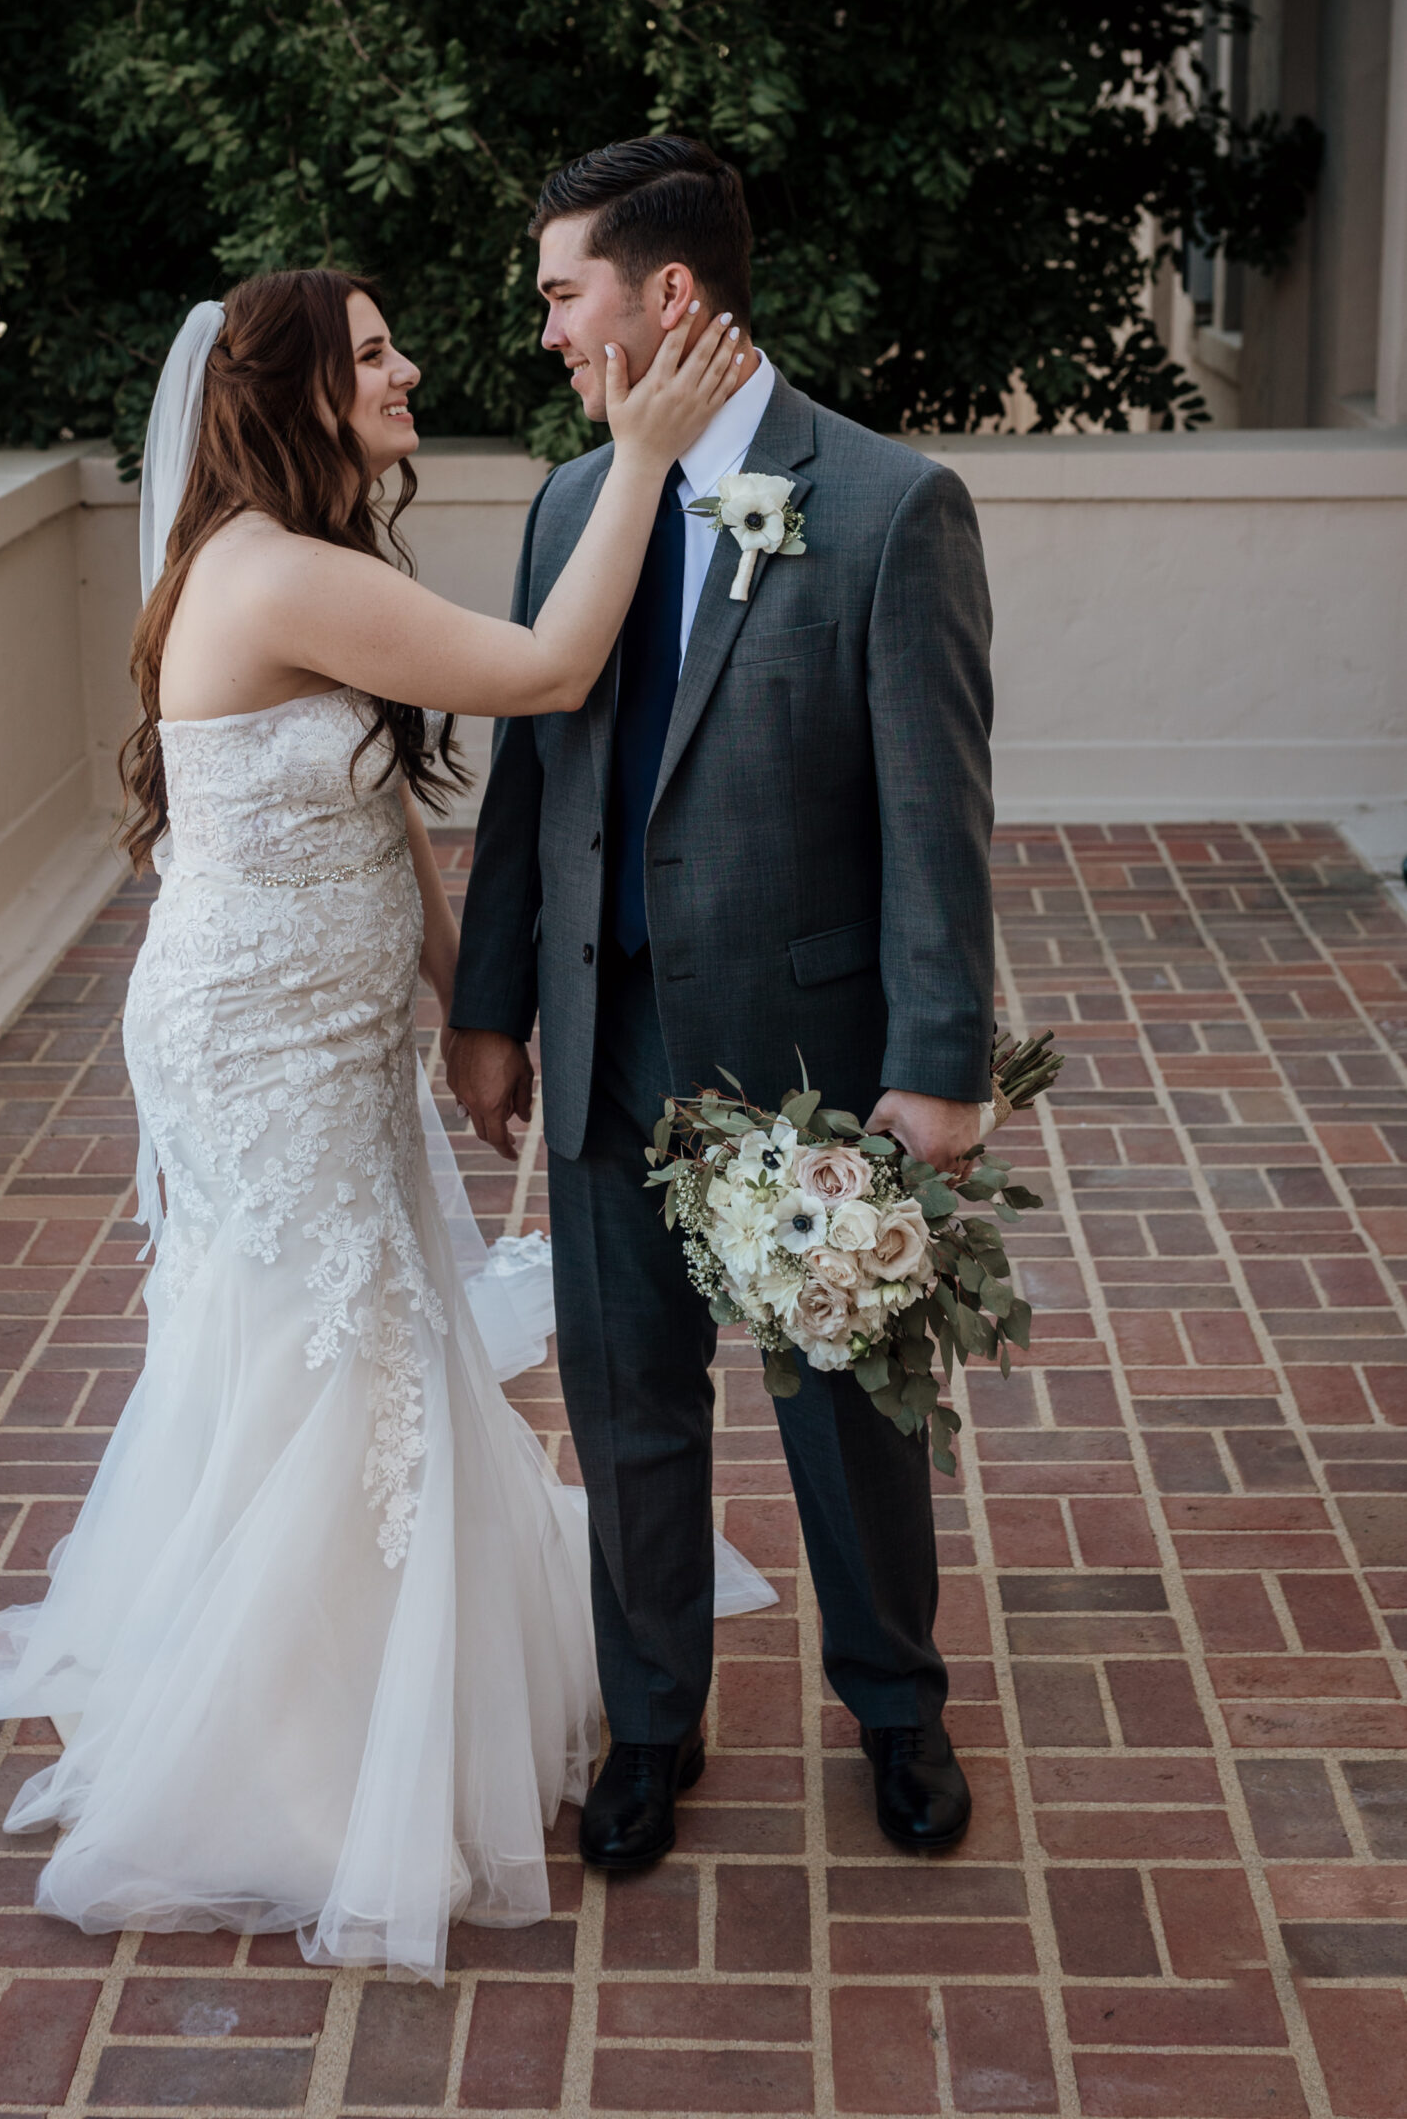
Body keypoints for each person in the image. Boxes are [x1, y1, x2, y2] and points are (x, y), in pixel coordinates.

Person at [0, 266, 752, 1983]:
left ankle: (370, 1669)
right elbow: (545, 667)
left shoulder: (318, 563)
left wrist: (465, 1010)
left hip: (338, 1026)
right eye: (372, 354)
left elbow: (385, 825)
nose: (409, 369)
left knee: (349, 1338)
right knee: (335, 1349)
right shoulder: (276, 568)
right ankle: (299, 1760)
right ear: (295, 385)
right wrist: (653, 457)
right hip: (256, 1040)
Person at [447, 135, 996, 1870]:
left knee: (842, 1396)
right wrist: (489, 1006)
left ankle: (896, 1708)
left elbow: (938, 815)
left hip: (811, 1058)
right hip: (608, 1045)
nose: (547, 332)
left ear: (667, 295)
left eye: (563, 293)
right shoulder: (560, 504)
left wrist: (937, 1065)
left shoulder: (892, 503)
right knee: (626, 1405)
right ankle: (652, 1723)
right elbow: (535, 784)